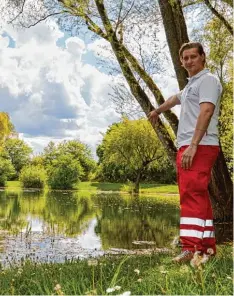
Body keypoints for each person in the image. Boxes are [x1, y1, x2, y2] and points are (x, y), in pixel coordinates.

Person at [148, 42, 222, 263]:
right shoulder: (192, 84)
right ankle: (206, 249)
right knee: (198, 196)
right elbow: (175, 98)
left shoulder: (208, 80)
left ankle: (192, 249)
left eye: (193, 56)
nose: (189, 61)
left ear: (203, 57)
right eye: (185, 58)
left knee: (191, 195)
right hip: (190, 145)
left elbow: (207, 111)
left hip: (198, 145)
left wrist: (193, 145)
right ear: (181, 62)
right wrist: (157, 110)